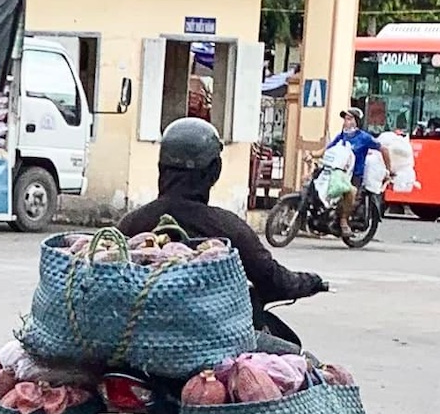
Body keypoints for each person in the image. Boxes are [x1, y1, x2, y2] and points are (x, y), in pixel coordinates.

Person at [118, 117, 325, 308]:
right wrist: (311, 281)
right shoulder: (228, 228)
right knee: (293, 350)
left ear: (161, 167)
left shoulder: (130, 225)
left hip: (131, 340)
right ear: (215, 170)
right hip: (210, 342)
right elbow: (274, 281)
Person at [306, 107, 391, 237]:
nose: (346, 122)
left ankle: (344, 221)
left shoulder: (364, 138)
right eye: (345, 119)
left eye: (349, 119)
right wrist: (312, 155)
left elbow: (384, 149)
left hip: (354, 175)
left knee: (350, 193)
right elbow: (327, 149)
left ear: (357, 121)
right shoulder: (341, 136)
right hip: (337, 172)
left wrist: (388, 169)